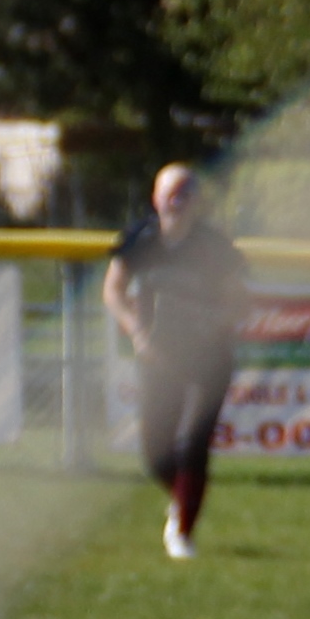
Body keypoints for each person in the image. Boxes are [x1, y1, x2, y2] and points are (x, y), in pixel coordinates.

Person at [106, 162, 248, 562]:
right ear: (155, 197)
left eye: (186, 193)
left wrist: (216, 323)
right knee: (155, 452)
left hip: (209, 355)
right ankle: (184, 498)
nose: (178, 201)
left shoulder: (212, 246)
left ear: (197, 202)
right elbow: (113, 289)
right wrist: (135, 330)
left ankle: (183, 533)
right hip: (160, 354)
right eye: (171, 192)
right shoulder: (141, 240)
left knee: (194, 444)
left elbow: (240, 300)